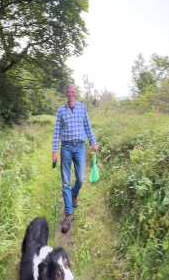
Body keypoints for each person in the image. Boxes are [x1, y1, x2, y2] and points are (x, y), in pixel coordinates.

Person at [52, 83, 98, 233]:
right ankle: (68, 213)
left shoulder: (82, 108)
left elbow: (87, 126)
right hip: (65, 147)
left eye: (72, 91)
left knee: (80, 178)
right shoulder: (60, 110)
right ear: (65, 94)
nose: (70, 94)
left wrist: (93, 142)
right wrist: (54, 150)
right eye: (68, 92)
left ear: (75, 93)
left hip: (79, 147)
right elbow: (57, 131)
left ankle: (74, 193)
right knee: (65, 181)